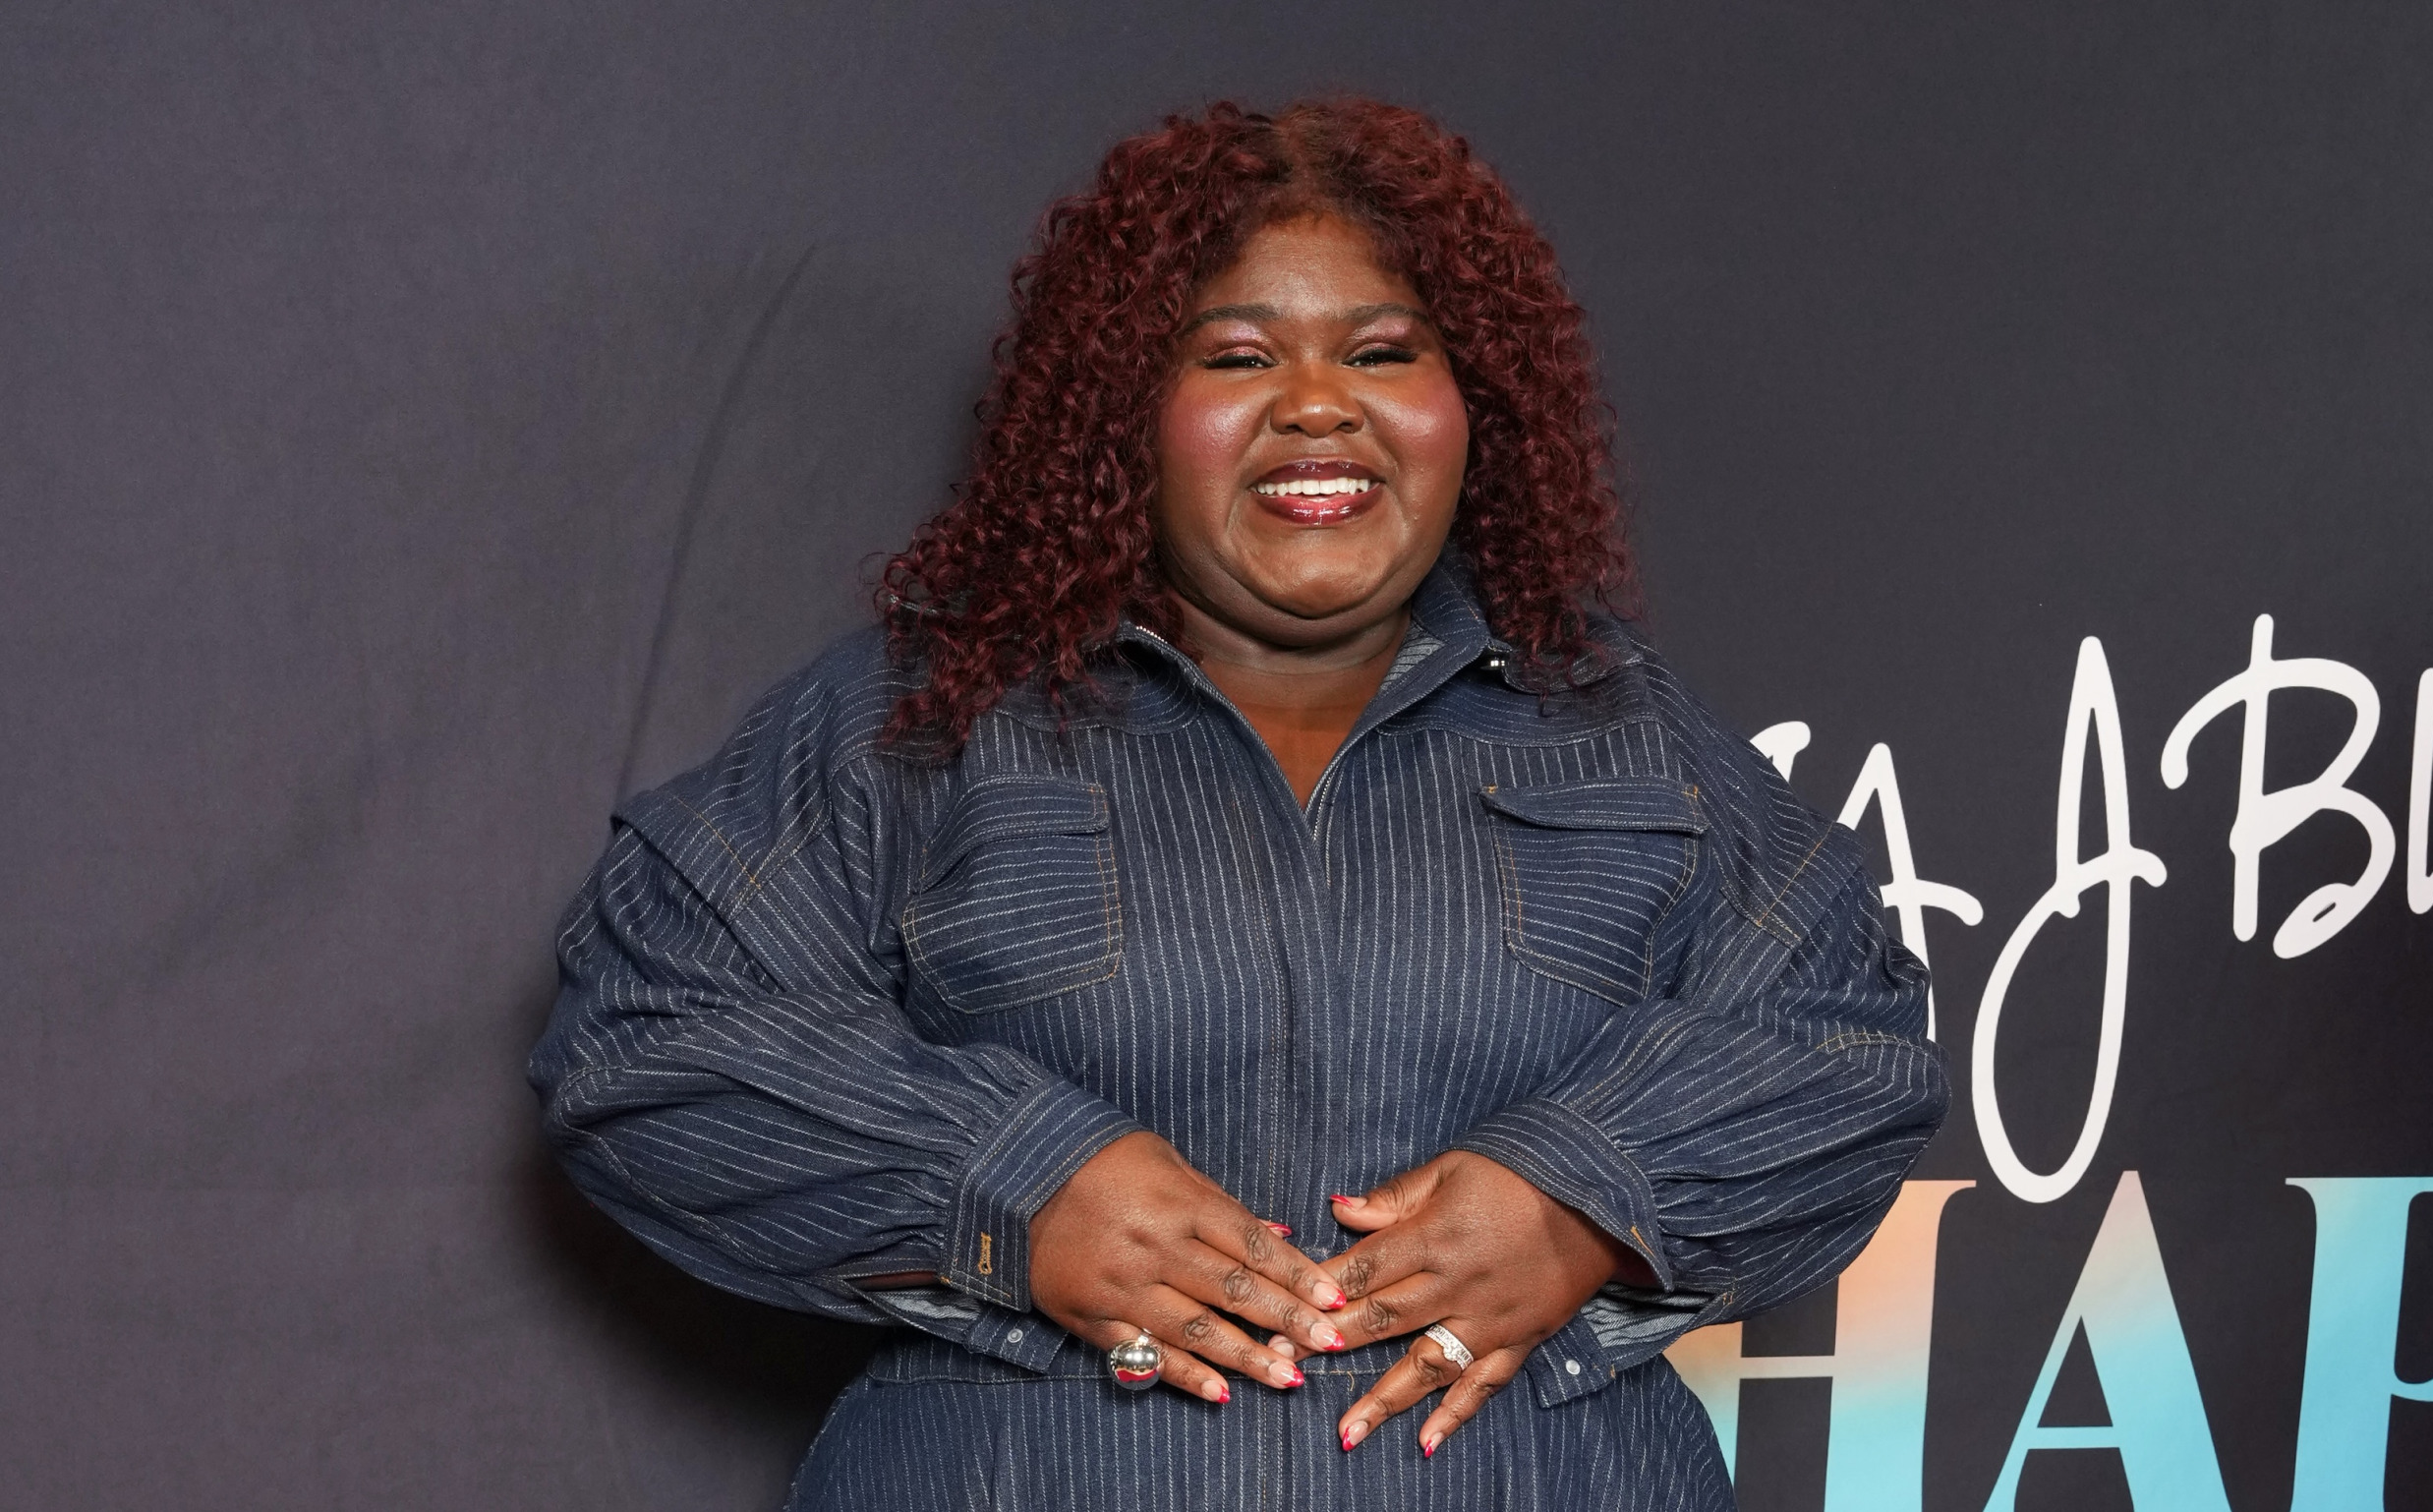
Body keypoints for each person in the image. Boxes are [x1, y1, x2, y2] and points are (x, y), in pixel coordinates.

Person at [530, 97, 1945, 1511]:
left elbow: (1848, 1044)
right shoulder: (925, 716)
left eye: (1384, 350)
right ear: (1125, 415)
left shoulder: (1620, 729)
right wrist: (1011, 1183)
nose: (1319, 400)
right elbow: (646, 1031)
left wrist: (1589, 1197)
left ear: (1474, 408)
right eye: (1239, 354)